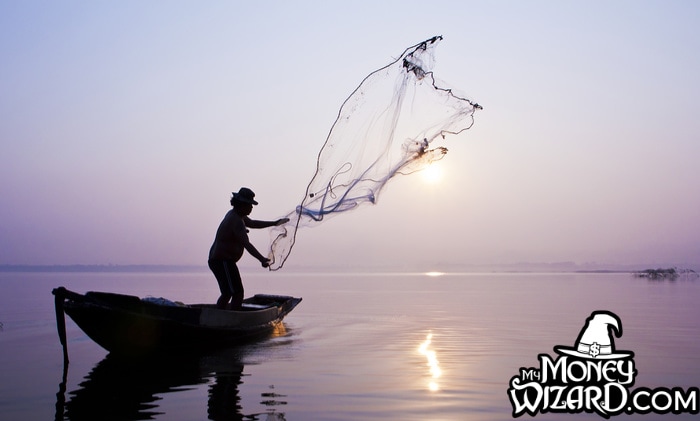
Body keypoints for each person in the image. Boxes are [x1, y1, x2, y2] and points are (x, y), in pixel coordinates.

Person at [208, 187, 288, 310]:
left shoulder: (237, 215)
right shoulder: (236, 220)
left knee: (231, 292)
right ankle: (228, 319)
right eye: (250, 205)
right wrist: (261, 259)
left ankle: (224, 315)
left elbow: (254, 223)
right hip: (221, 261)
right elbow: (247, 244)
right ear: (241, 204)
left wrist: (274, 223)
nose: (251, 208)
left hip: (223, 261)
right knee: (234, 293)